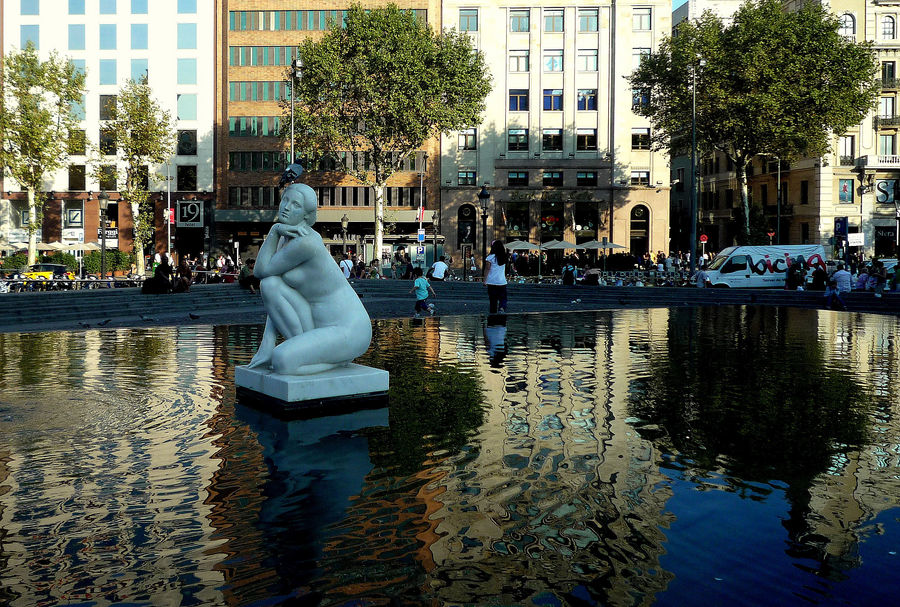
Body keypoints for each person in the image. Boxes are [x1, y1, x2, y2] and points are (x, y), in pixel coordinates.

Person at [247, 182, 372, 375]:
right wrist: (267, 343)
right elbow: (272, 293)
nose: (286, 207)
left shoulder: (306, 242)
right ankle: (308, 354)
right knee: (270, 284)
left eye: (295, 205)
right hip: (316, 324)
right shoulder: (286, 236)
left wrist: (274, 230)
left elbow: (260, 270)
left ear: (307, 215)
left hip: (349, 328)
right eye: (285, 200)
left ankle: (334, 362)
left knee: (282, 360)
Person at [484, 240, 508, 313]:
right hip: (501, 281)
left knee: (493, 300)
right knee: (503, 298)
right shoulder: (504, 257)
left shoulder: (490, 257)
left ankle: (492, 315)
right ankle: (501, 307)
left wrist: (485, 280)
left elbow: (487, 269)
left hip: (491, 281)